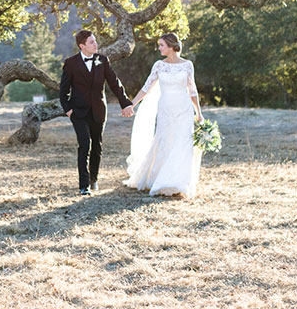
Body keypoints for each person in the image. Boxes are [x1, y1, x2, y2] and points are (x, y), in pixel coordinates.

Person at [124, 32, 203, 198]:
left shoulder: (187, 65)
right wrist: (132, 104)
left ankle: (178, 182)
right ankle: (161, 179)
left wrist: (199, 113)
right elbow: (146, 87)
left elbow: (192, 90)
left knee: (183, 143)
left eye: (161, 45)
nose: (158, 48)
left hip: (184, 109)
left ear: (171, 46)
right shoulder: (159, 65)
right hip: (166, 109)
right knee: (165, 141)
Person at [60, 29, 134, 195]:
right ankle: (83, 185)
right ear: (82, 46)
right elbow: (63, 90)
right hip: (78, 112)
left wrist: (125, 104)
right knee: (84, 144)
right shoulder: (71, 63)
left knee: (96, 147)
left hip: (99, 111)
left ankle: (94, 180)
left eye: (95, 41)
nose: (96, 44)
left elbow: (115, 83)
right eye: (92, 42)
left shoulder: (103, 60)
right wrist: (68, 110)